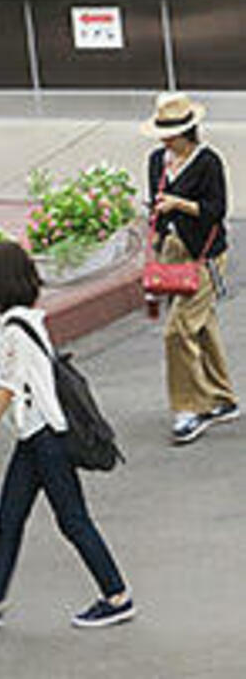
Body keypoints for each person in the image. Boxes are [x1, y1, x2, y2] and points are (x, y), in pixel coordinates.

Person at [0, 241, 134, 630]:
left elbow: (7, 391)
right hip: (34, 437)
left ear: (0, 279)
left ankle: (117, 596)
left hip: (47, 439)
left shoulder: (14, 329)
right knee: (9, 516)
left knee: (72, 520)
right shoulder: (27, 319)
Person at [141, 91, 239, 444]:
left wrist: (179, 204)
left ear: (187, 131)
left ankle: (190, 408)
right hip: (172, 252)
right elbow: (155, 206)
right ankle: (221, 398)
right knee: (202, 326)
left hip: (204, 255)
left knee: (178, 330)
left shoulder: (208, 162)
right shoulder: (156, 161)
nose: (165, 139)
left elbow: (216, 210)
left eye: (170, 132)